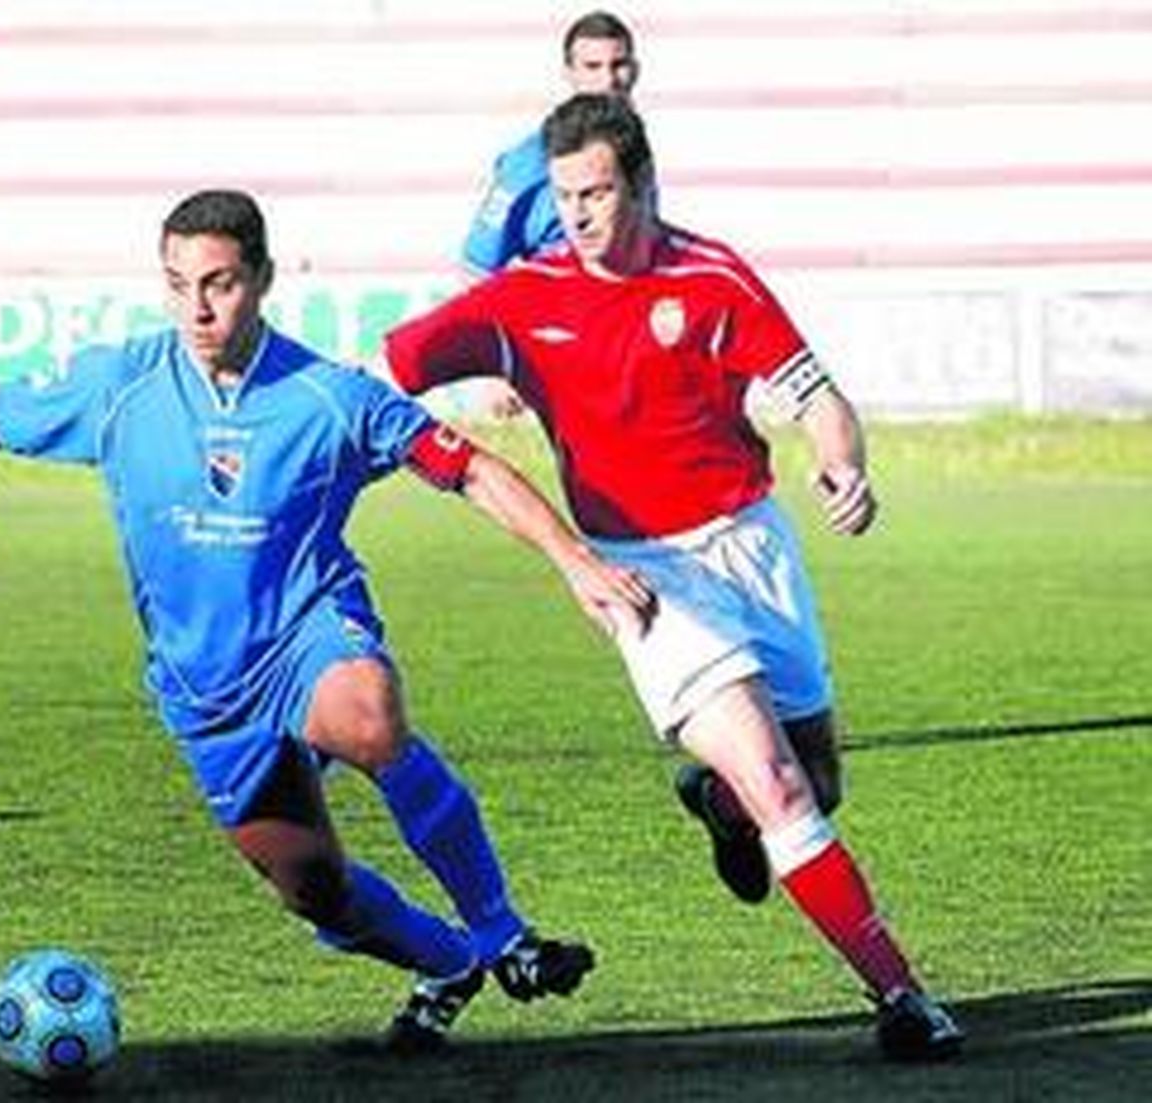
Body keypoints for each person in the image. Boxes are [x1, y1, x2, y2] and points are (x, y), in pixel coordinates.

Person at [0, 189, 658, 1052]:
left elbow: (471, 469)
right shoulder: (122, 384)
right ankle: (451, 961)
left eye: (219, 283)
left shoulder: (328, 397)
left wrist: (577, 561)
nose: (198, 307)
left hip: (307, 634)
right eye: (179, 284)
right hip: (203, 689)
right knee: (313, 887)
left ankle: (500, 931)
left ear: (261, 278)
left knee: (368, 719)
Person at [384, 94, 966, 1061]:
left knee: (815, 781)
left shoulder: (712, 274)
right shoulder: (523, 297)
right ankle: (902, 994)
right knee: (783, 784)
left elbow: (820, 399)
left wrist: (844, 463)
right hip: (643, 575)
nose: (577, 214)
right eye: (565, 194)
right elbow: (390, 371)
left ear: (644, 184)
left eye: (598, 192)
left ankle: (718, 800)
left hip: (753, 543)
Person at [461, 9, 639, 419]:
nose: (608, 80)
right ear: (570, 73)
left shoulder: (635, 151)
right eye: (592, 66)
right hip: (564, 359)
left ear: (636, 69)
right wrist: (491, 372)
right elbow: (477, 265)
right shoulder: (531, 161)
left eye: (619, 65)